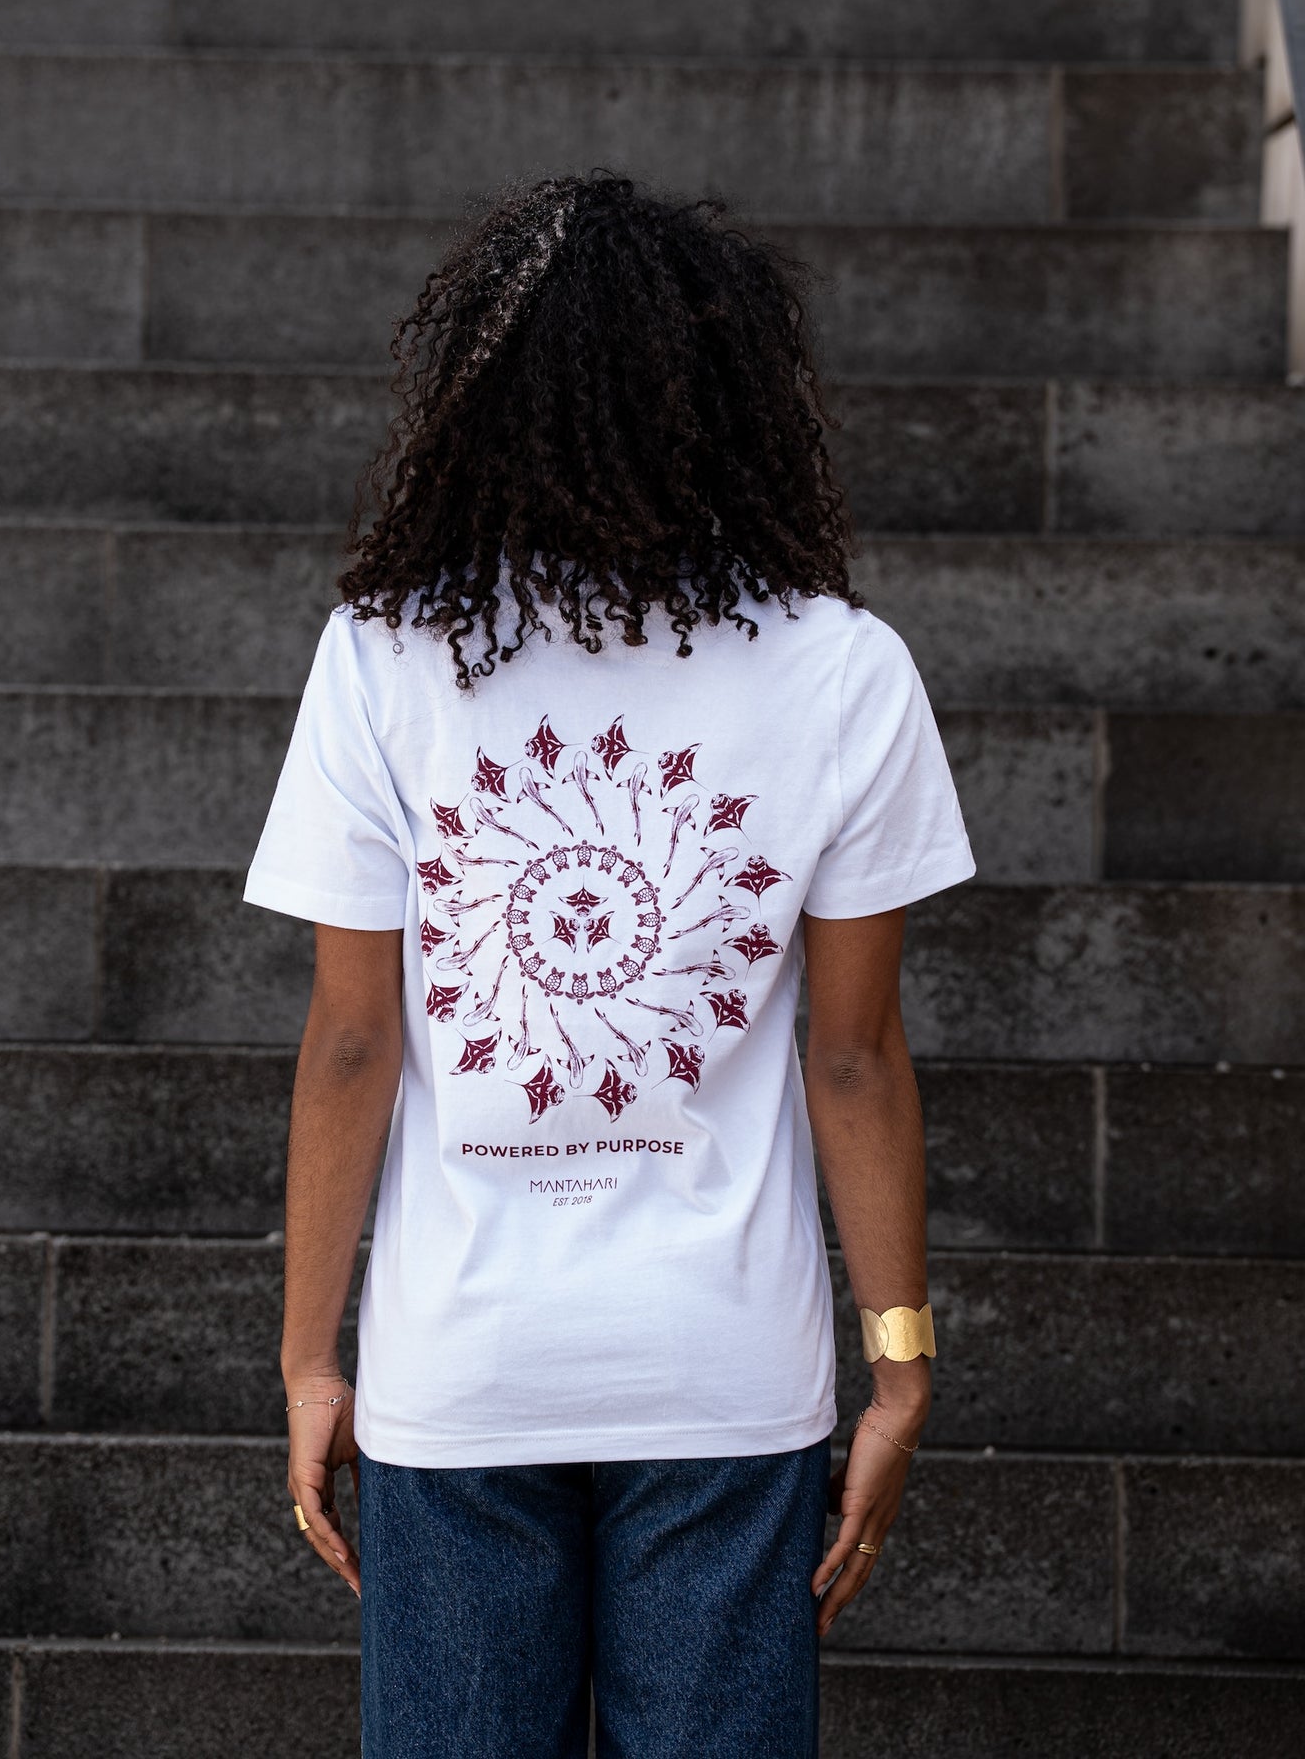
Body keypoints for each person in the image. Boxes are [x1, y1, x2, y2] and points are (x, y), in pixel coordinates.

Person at [242, 171, 976, 1758]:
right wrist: (900, 1364)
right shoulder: (843, 670)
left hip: (461, 1372)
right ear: (740, 401)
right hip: (727, 1372)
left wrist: (308, 1359)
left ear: (477, 399)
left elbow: (352, 1041)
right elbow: (856, 1056)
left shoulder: (382, 657)